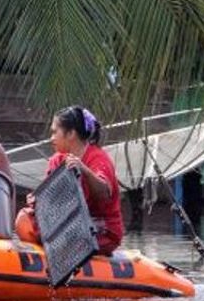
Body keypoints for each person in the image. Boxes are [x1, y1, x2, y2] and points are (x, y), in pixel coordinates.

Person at [14, 106, 124, 255]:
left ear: (71, 133)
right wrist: (36, 200)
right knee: (24, 219)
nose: (51, 138)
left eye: (54, 132)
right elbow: (52, 200)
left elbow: (104, 193)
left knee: (60, 235)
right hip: (70, 224)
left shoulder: (97, 157)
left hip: (101, 228)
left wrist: (83, 169)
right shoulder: (56, 160)